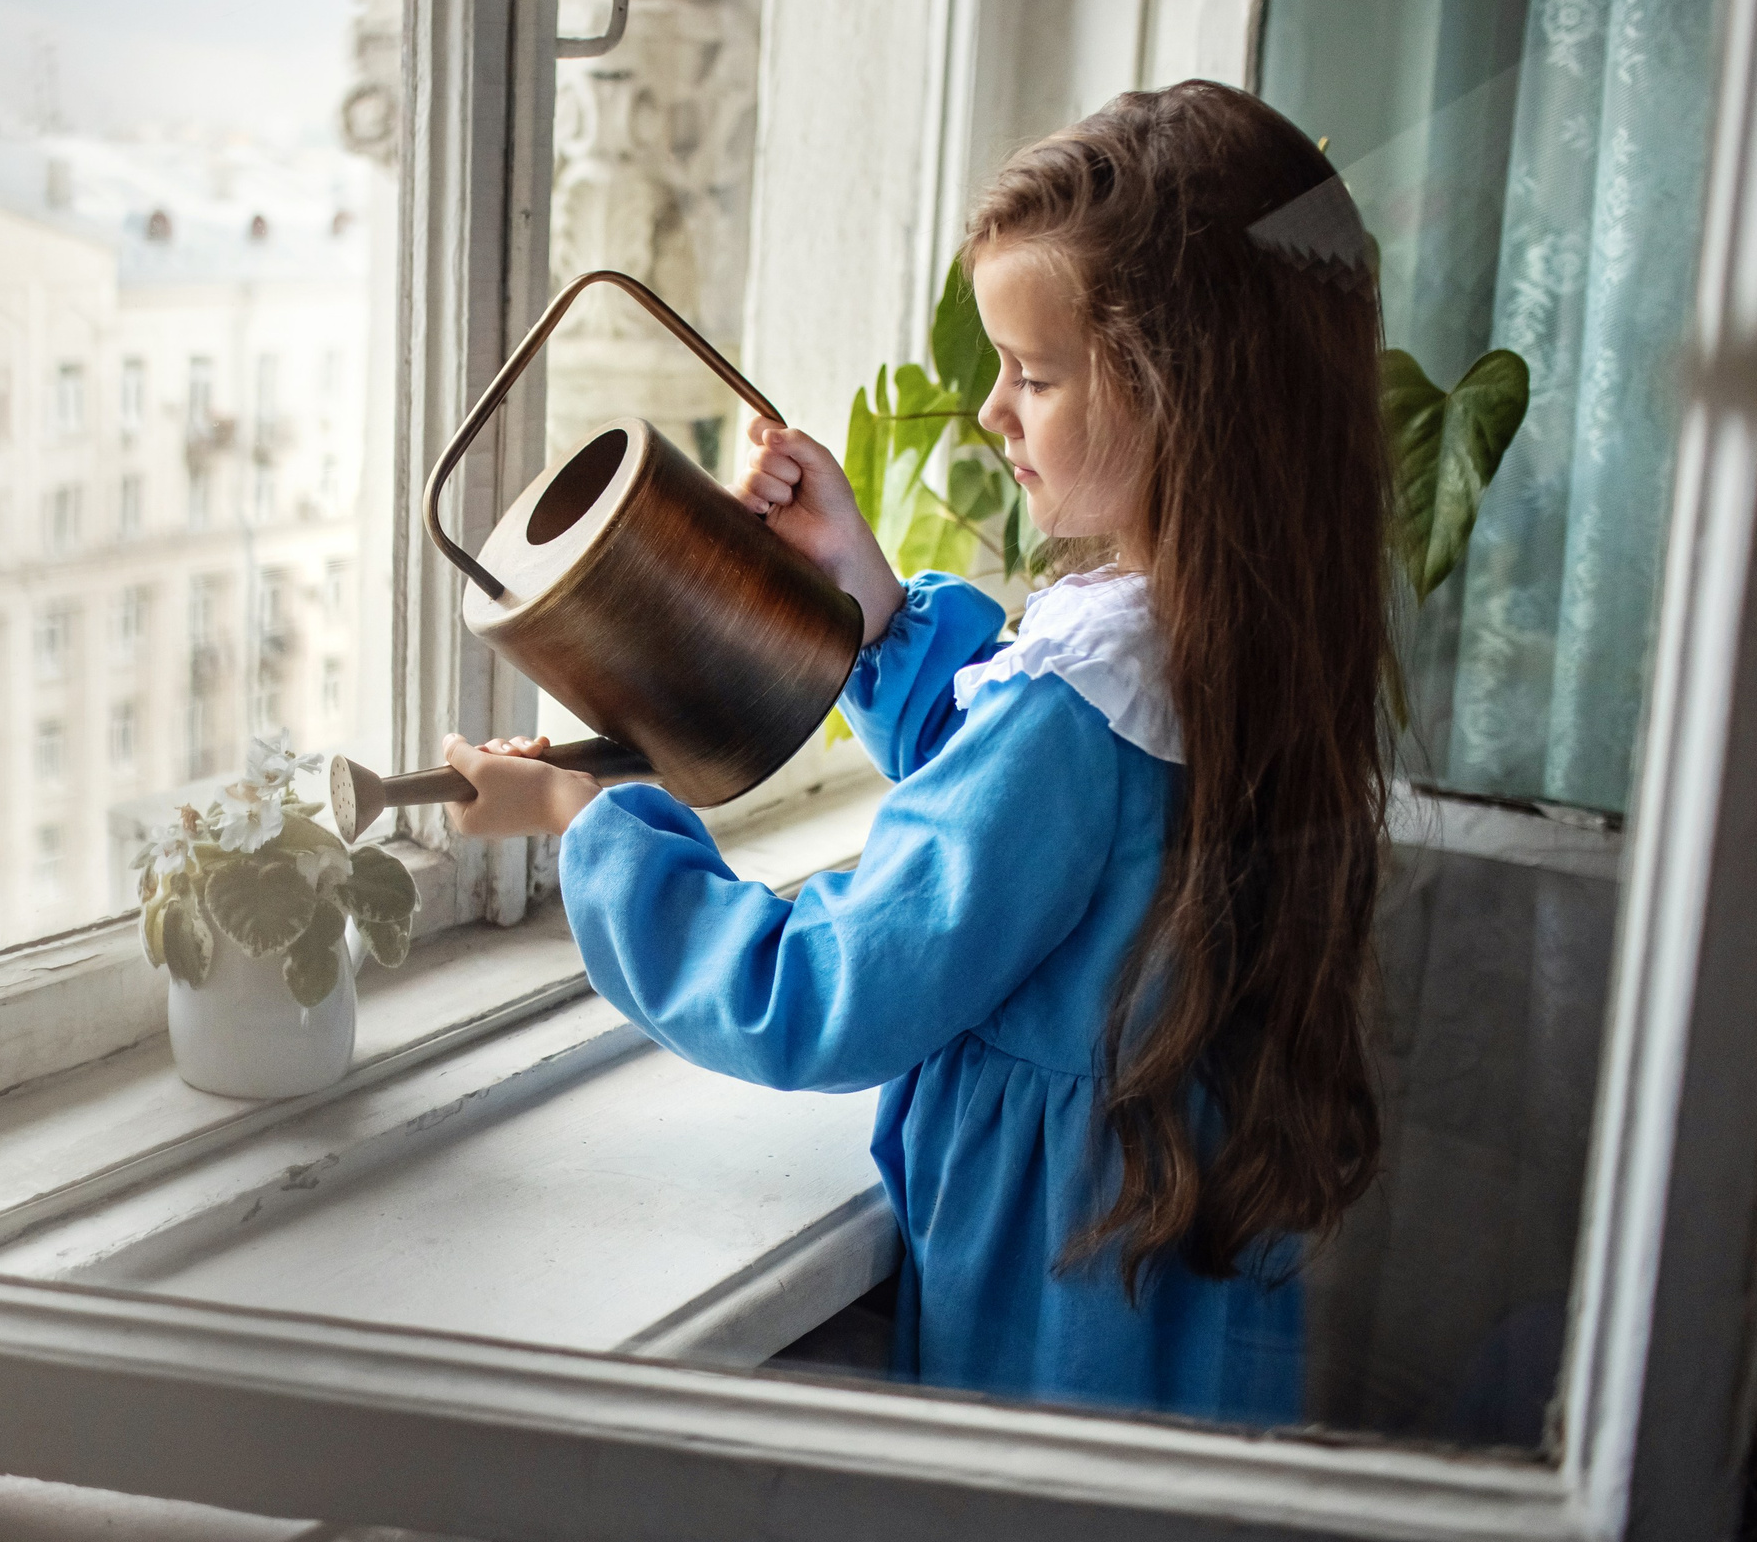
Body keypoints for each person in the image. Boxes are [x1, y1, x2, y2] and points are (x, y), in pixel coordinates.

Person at [441, 79, 1392, 1425]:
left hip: (1056, 1307)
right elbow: (1048, 838)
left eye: (1036, 374)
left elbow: (823, 991)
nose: (995, 411)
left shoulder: (1087, 701)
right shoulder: (1240, 632)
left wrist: (591, 825)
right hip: (1179, 1278)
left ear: (1186, 396)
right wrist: (869, 606)